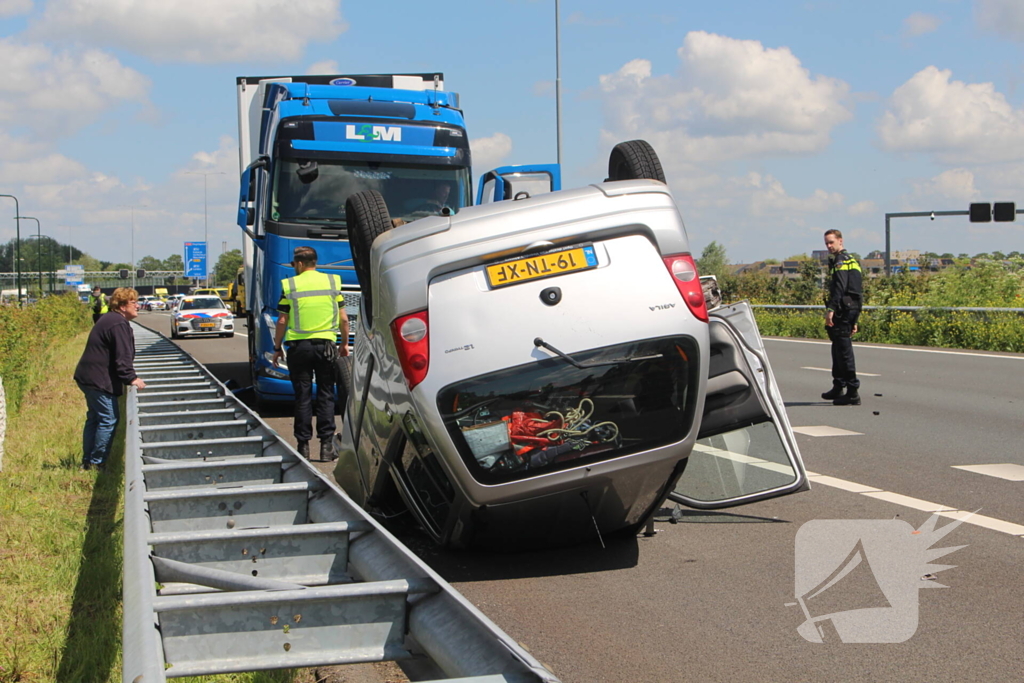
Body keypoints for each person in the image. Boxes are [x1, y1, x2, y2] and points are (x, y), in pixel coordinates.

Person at [272, 246, 349, 460]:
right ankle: (326, 448)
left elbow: (282, 320)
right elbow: (344, 318)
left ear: (298, 263)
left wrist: (277, 348)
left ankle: (303, 447)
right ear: (314, 262)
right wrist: (343, 344)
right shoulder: (332, 282)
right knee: (325, 395)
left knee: (302, 397)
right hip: (326, 347)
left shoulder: (290, 285)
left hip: (299, 348)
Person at [74, 287, 146, 470]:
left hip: (88, 376)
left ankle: (88, 462)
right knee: (108, 418)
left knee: (95, 418)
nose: (137, 306)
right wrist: (131, 378)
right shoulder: (118, 324)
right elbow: (122, 357)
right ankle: (97, 463)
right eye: (133, 303)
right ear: (122, 306)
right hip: (98, 379)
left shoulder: (110, 320)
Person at [821, 229, 863, 406]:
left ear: (840, 241)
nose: (829, 246)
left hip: (842, 309)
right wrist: (855, 318)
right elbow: (857, 291)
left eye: (831, 242)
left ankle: (852, 391)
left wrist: (831, 309)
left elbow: (840, 286)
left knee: (844, 351)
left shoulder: (840, 261)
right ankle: (839, 385)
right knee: (837, 347)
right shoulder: (851, 259)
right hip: (851, 308)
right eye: (827, 243)